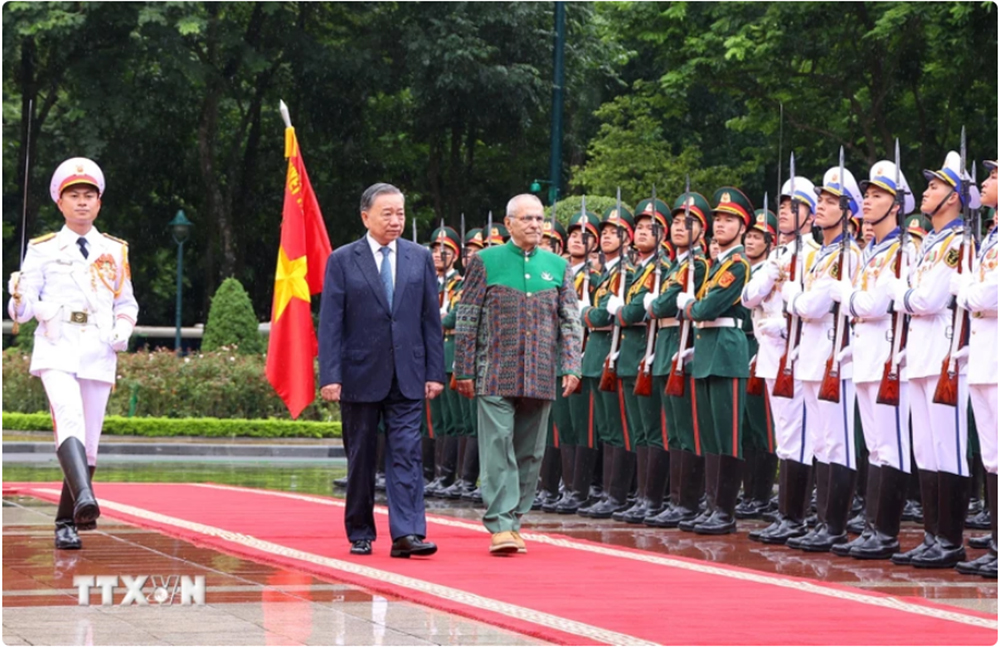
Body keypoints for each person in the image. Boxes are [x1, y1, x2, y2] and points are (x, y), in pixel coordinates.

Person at [7, 157, 138, 550]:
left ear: (98, 203)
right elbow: (22, 312)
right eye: (73, 196)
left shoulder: (113, 250)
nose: (82, 203)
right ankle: (86, 499)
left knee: (91, 441)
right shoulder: (42, 249)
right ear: (60, 203)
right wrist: (17, 295)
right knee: (68, 419)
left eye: (89, 196)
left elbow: (126, 302)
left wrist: (123, 328)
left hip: (98, 348)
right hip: (58, 344)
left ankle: (68, 519)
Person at [319, 182, 445, 558]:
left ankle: (407, 533)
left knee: (406, 452)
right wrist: (330, 376)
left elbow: (429, 320)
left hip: (407, 373)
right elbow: (330, 324)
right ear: (366, 216)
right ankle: (360, 530)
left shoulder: (418, 257)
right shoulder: (343, 259)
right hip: (359, 374)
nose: (395, 220)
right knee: (361, 455)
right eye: (387, 213)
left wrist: (435, 372)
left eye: (400, 213)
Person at [453, 194, 582, 554]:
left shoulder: (557, 266)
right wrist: (463, 369)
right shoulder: (484, 261)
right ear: (508, 224)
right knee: (497, 447)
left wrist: (572, 364)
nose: (535, 225)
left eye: (539, 219)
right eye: (526, 219)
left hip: (540, 372)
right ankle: (500, 524)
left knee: (530, 452)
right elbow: (467, 318)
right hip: (495, 371)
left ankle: (516, 518)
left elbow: (570, 319)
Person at [888, 152, 979, 568]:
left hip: (944, 353)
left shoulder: (958, 243)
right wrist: (908, 298)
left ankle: (950, 539)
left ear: (953, 198)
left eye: (935, 187)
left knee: (948, 449)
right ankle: (931, 534)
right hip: (921, 354)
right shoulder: (934, 244)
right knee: (925, 450)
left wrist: (900, 297)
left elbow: (926, 299)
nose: (925, 193)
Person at [830, 159, 915, 560]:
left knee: (890, 446)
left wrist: (844, 296)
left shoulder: (902, 249)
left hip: (886, 355)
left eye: (877, 195)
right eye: (866, 194)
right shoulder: (870, 252)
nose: (867, 200)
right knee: (876, 447)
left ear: (896, 205)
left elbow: (872, 304)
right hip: (864, 354)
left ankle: (887, 532)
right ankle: (872, 527)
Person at [781, 164, 862, 552]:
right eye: (823, 200)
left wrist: (794, 300)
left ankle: (835, 525)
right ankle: (821, 520)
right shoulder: (821, 255)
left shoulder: (849, 254)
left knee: (837, 443)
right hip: (811, 355)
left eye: (831, 201)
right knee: (819, 441)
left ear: (848, 211)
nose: (823, 207)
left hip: (835, 355)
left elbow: (811, 306)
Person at [745, 176, 822, 545]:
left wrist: (782, 322)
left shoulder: (814, 255)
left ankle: (796, 515)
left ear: (809, 214)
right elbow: (748, 298)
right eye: (784, 206)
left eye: (795, 207)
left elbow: (814, 308)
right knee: (784, 436)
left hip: (796, 352)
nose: (785, 213)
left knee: (798, 435)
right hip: (771, 352)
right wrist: (768, 277)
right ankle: (786, 514)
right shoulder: (776, 254)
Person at [675, 187, 753, 535]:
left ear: (742, 227)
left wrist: (687, 305)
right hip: (707, 350)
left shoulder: (736, 265)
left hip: (726, 351)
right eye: (718, 219)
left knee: (727, 435)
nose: (721, 224)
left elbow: (707, 308)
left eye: (729, 220)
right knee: (709, 435)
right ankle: (711, 506)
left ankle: (725, 510)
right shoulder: (715, 264)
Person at [644, 192, 712, 529]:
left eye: (690, 222)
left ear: (703, 230)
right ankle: (676, 500)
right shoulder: (674, 265)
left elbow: (663, 306)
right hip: (668, 341)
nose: (679, 228)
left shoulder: (697, 264)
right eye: (676, 222)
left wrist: (655, 304)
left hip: (683, 343)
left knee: (687, 429)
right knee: (672, 430)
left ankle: (688, 500)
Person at [954, 158, 998, 578]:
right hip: (984, 353)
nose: (985, 182)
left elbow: (987, 293)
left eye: (994, 175)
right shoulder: (990, 237)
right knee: (992, 456)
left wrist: (966, 290)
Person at [578, 207, 637, 519]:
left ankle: (618, 494)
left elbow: (602, 316)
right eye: (605, 232)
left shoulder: (625, 273)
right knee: (607, 428)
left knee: (618, 428)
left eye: (615, 232)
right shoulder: (606, 275)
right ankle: (607, 492)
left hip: (613, 351)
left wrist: (585, 313)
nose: (606, 237)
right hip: (597, 352)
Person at [735, 207, 780, 520]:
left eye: (758, 237)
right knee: (748, 427)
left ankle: (761, 494)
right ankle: (749, 493)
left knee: (763, 427)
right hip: (745, 344)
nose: (750, 242)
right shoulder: (744, 270)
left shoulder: (774, 270)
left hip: (763, 343)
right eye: (748, 236)